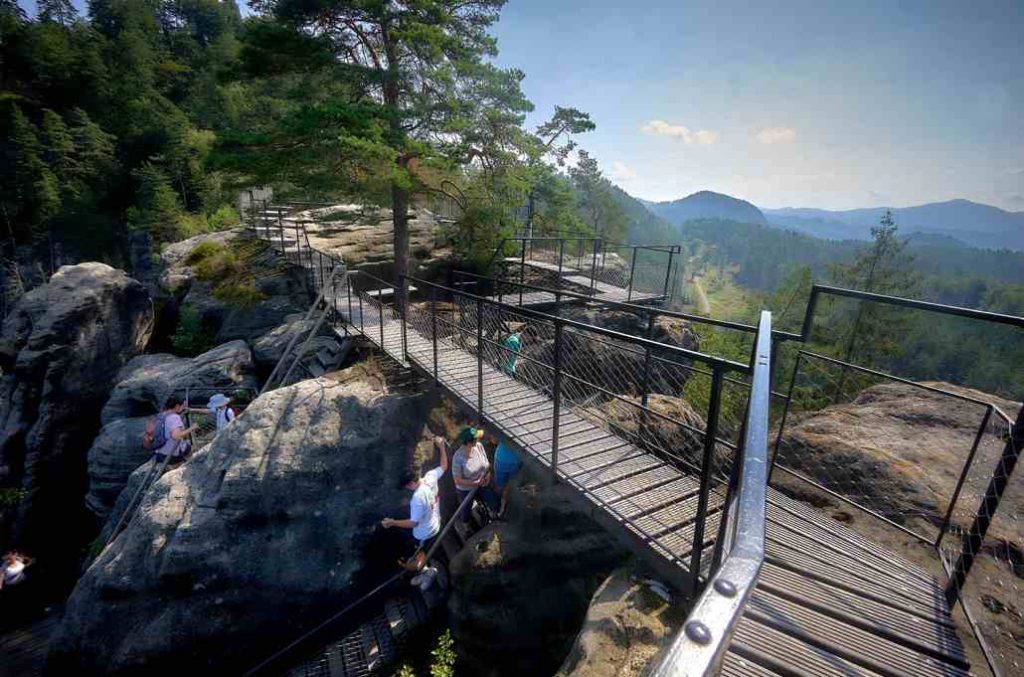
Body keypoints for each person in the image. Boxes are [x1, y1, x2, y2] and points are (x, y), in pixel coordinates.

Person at [381, 436, 448, 590]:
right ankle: (423, 564)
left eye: (406, 487)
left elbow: (413, 523)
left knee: (408, 561)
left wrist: (392, 522)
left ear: (411, 483)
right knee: (419, 550)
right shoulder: (430, 477)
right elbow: (444, 466)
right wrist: (442, 447)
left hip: (424, 532)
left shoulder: (417, 498)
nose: (407, 489)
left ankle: (427, 572)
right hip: (435, 522)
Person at [452, 426, 498, 520]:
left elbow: (486, 464)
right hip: (466, 489)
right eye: (477, 438)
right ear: (469, 442)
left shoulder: (479, 446)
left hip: (482, 483)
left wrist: (488, 476)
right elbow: (457, 480)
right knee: (465, 509)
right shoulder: (458, 458)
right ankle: (466, 525)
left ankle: (494, 515)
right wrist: (475, 483)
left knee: (492, 500)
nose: (479, 439)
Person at [154, 395, 198, 465]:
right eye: (182, 406)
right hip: (171, 456)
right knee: (193, 448)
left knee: (186, 443)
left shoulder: (161, 415)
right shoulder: (174, 417)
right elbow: (176, 436)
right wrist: (192, 428)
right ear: (177, 406)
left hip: (159, 453)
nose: (183, 407)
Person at [490, 433, 522, 519]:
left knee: (499, 486)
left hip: (501, 459)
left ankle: (498, 507)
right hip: (516, 460)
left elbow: (494, 440)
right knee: (509, 485)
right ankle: (503, 505)